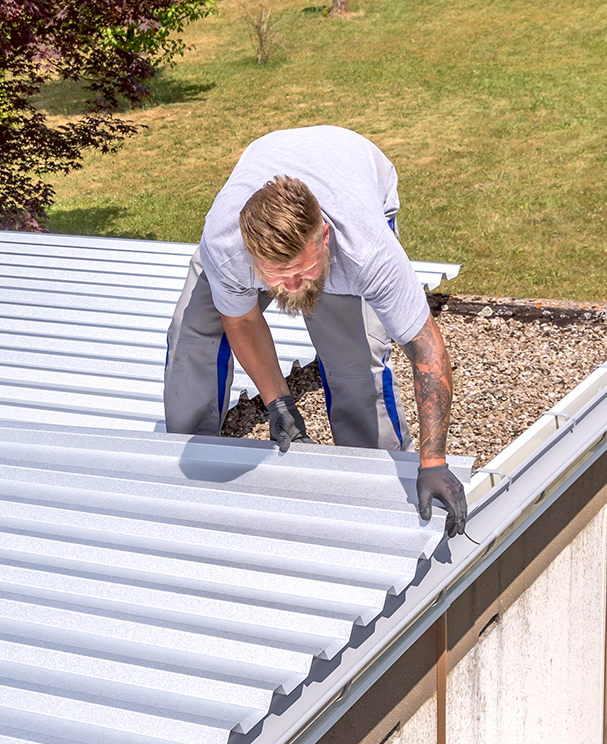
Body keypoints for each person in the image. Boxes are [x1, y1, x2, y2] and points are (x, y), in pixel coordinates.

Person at [162, 125, 467, 536]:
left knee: (354, 362)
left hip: (354, 168)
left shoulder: (366, 251)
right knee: (191, 336)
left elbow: (426, 348)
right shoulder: (227, 247)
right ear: (250, 254)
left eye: (302, 270)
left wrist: (434, 462)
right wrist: (278, 402)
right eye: (277, 275)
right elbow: (243, 319)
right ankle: (190, 468)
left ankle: (379, 487)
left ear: (322, 237)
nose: (291, 287)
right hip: (269, 167)